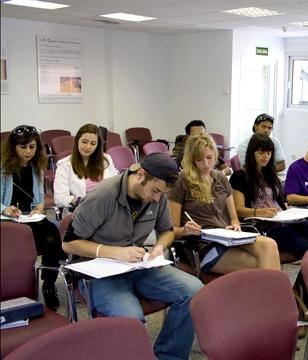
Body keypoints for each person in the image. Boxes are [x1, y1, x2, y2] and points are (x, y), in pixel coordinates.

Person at [62, 153, 202, 360]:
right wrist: (115, 252)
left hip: (137, 266)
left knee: (195, 291)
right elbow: (68, 243)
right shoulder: (104, 196)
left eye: (161, 193)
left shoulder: (158, 194)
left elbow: (167, 230)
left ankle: (168, 356)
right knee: (130, 318)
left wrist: (159, 247)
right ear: (141, 175)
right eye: (155, 191)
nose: (157, 198)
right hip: (100, 273)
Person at [168, 133, 280, 275]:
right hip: (203, 246)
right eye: (199, 160)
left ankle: (269, 295)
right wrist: (184, 230)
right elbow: (172, 230)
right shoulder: (182, 182)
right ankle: (270, 296)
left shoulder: (220, 178)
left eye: (209, 158)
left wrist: (235, 225)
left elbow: (234, 218)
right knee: (263, 263)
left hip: (227, 238)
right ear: (192, 159)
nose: (206, 164)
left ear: (215, 155)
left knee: (270, 245)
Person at [230, 133, 308, 259]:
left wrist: (293, 212)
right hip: (263, 226)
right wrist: (260, 212)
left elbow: (281, 203)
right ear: (252, 153)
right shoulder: (240, 176)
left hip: (283, 220)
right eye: (261, 153)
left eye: (269, 153)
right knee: (303, 244)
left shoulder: (270, 175)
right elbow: (238, 210)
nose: (265, 157)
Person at [1, 125, 65, 310]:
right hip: (7, 220)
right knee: (25, 241)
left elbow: (38, 200)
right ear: (13, 147)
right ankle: (17, 284)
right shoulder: (3, 169)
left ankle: (48, 284)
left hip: (28, 217)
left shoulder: (36, 167)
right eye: (23, 147)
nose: (28, 151)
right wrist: (6, 210)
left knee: (52, 232)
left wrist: (38, 208)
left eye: (32, 146)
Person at [53, 123, 118, 209]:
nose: (88, 147)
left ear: (97, 145)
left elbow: (116, 185)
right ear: (77, 141)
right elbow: (59, 199)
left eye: (93, 143)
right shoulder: (64, 165)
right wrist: (81, 200)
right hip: (82, 210)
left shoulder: (106, 159)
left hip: (107, 207)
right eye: (84, 142)